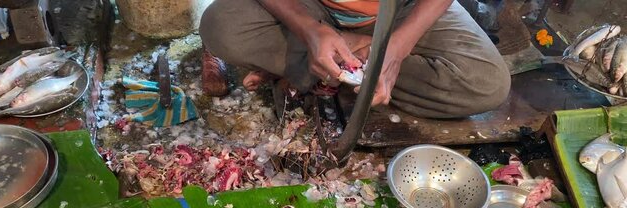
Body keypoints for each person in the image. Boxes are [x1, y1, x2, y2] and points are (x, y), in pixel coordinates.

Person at [199, 0, 511, 119]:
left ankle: (337, 63)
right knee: (221, 26)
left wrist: (399, 47)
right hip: (310, 9)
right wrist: (307, 29)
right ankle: (344, 56)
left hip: (407, 10)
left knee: (486, 83)